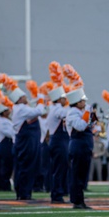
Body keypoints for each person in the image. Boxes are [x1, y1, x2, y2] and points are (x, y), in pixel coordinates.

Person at [2, 76, 42, 200]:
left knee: (22, 167)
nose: (26, 98)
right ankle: (24, 193)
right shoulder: (22, 109)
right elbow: (38, 111)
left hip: (23, 141)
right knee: (27, 167)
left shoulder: (19, 108)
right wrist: (40, 100)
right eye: (24, 96)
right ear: (19, 99)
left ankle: (22, 192)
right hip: (26, 142)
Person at [65, 85, 94, 210]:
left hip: (84, 146)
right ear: (77, 102)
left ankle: (80, 199)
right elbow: (80, 126)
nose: (85, 103)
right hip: (78, 146)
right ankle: (77, 200)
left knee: (82, 174)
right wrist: (87, 113)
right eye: (83, 101)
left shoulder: (78, 112)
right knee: (77, 174)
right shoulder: (72, 112)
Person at [46, 73, 70, 204]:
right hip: (58, 142)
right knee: (58, 169)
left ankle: (58, 192)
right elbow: (66, 113)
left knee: (59, 168)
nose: (65, 100)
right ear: (58, 99)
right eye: (63, 98)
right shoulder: (57, 109)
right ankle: (56, 194)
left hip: (59, 141)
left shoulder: (55, 108)